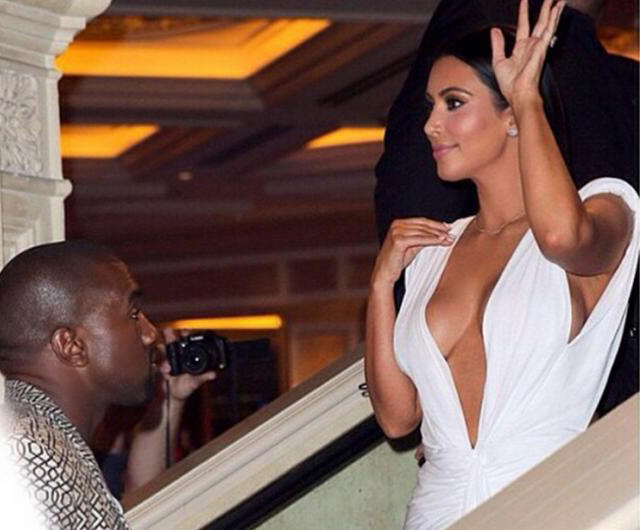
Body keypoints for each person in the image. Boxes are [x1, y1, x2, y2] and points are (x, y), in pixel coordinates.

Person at [364, 1, 639, 529]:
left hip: (549, 508)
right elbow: (397, 419)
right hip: (434, 513)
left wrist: (527, 96)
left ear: (511, 116)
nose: (431, 125)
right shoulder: (433, 250)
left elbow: (559, 237)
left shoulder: (607, 209)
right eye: (430, 106)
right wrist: (381, 286)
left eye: (453, 103)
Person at [0, 241, 160, 529]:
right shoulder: (29, 455)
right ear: (71, 345)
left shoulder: (47, 445)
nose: (150, 334)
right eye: (133, 314)